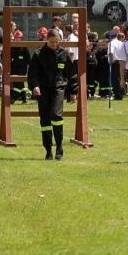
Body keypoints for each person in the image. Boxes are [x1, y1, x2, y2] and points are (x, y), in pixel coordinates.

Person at [28, 28, 75, 160]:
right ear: (46, 40)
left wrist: (73, 91)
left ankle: (59, 146)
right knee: (45, 120)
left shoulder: (63, 54)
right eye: (51, 42)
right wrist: (35, 86)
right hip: (43, 89)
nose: (54, 45)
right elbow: (32, 73)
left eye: (56, 42)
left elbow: (71, 75)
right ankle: (48, 149)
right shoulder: (38, 54)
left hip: (58, 89)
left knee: (56, 115)